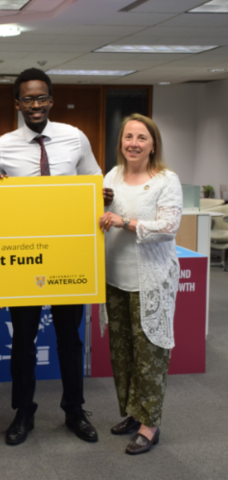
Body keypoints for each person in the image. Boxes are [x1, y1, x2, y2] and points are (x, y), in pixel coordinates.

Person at [0, 68, 113, 445]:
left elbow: (96, 180)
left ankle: (74, 410)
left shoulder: (75, 138)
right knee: (23, 341)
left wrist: (102, 194)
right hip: (23, 257)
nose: (35, 104)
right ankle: (23, 413)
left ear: (51, 101)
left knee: (69, 339)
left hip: (67, 256)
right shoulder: (3, 146)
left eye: (41, 98)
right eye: (28, 98)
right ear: (18, 104)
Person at [99, 113, 183, 455]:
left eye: (141, 138)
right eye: (128, 137)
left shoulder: (166, 180)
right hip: (114, 279)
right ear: (121, 142)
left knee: (150, 355)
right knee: (122, 354)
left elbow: (168, 227)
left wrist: (126, 222)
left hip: (150, 283)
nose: (133, 143)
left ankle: (150, 425)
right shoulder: (111, 176)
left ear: (153, 144)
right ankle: (134, 414)